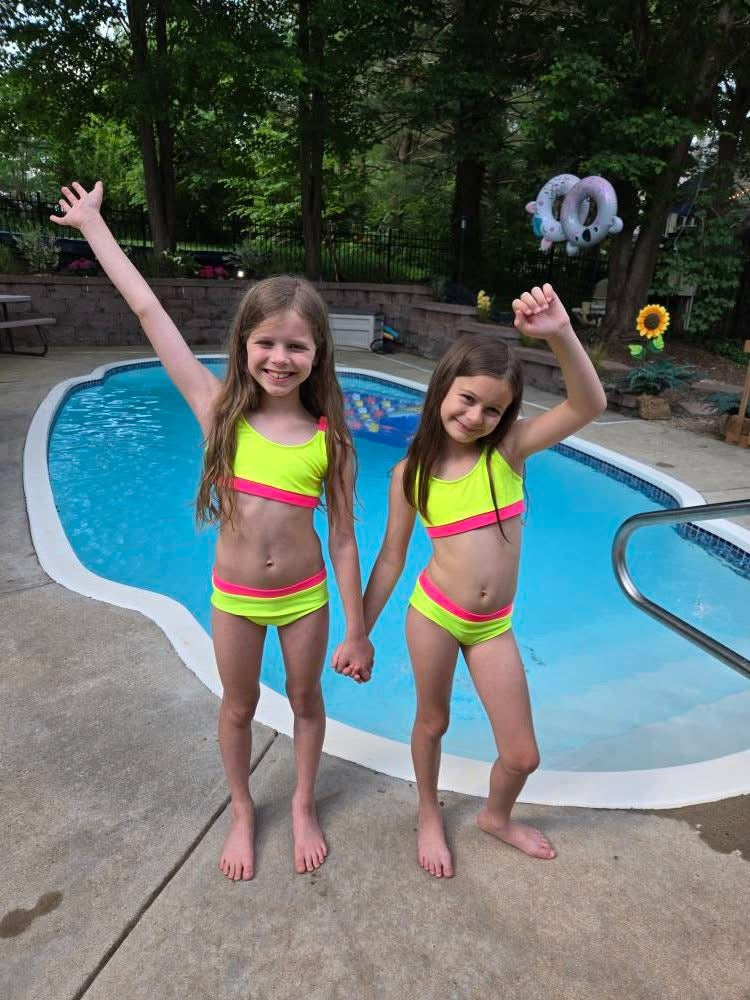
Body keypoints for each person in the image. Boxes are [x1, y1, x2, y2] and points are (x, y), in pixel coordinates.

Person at [52, 182, 374, 881]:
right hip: (234, 595)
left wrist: (356, 628)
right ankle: (240, 807)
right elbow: (148, 310)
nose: (279, 358)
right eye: (267, 342)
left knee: (307, 699)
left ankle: (302, 804)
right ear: (245, 344)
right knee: (238, 704)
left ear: (318, 354)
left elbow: (345, 540)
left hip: (306, 598)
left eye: (296, 346)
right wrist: (93, 227)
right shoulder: (216, 407)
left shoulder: (330, 442)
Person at [346, 284, 606, 877]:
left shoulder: (508, 453)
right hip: (433, 614)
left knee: (522, 753)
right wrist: (359, 633)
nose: (475, 417)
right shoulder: (411, 473)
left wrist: (561, 334)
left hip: (492, 627)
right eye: (466, 400)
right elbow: (390, 559)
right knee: (431, 721)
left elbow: (588, 404)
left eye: (491, 409)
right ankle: (429, 813)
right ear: (442, 389)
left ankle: (495, 816)